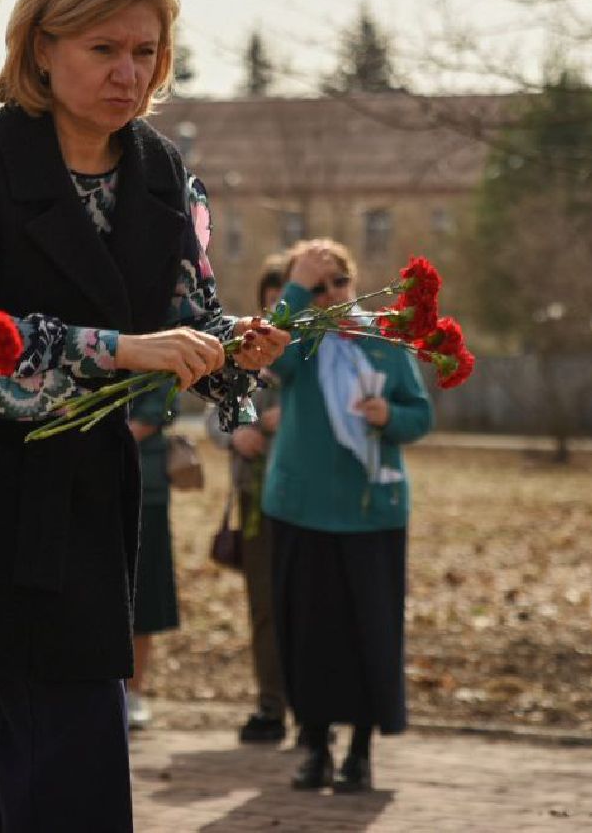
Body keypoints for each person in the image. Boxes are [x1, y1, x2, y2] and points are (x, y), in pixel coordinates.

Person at [0, 0, 291, 832]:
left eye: (144, 52)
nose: (127, 72)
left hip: (85, 495)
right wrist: (120, 349)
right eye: (102, 48)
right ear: (40, 48)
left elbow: (191, 314)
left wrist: (234, 354)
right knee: (63, 731)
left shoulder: (166, 175)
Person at [264, 239, 433, 793]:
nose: (331, 295)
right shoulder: (298, 342)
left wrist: (390, 415)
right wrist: (295, 290)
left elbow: (419, 412)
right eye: (317, 287)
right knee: (308, 637)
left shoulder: (383, 337)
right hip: (302, 512)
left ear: (355, 283)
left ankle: (360, 752)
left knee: (367, 634)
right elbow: (271, 356)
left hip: (370, 516)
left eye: (338, 283)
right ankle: (314, 746)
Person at [204, 258, 290, 745]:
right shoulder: (245, 350)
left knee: (304, 606)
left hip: (304, 501)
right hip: (256, 503)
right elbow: (216, 419)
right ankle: (271, 705)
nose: (281, 312)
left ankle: (312, 709)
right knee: (263, 608)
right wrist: (240, 435)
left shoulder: (316, 353)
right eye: (274, 303)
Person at [124, 385, 181, 731]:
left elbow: (154, 411)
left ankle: (134, 691)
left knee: (143, 594)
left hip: (146, 489)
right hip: (85, 484)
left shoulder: (161, 337)